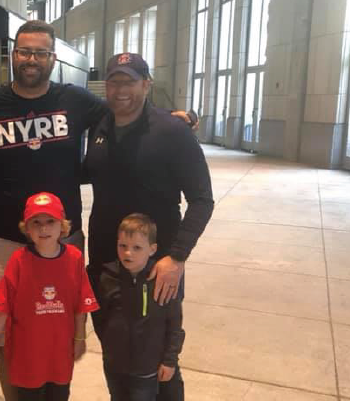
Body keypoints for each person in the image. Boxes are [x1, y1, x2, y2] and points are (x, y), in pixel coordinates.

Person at [0, 20, 194, 399]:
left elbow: (127, 107)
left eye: (40, 52)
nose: (31, 59)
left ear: (53, 58)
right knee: (8, 330)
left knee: (57, 327)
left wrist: (175, 119)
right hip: (8, 239)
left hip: (64, 240)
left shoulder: (75, 100)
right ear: (13, 55)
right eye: (24, 51)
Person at [84, 53, 214, 401]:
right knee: (117, 352)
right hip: (106, 267)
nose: (120, 90)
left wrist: (177, 258)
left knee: (159, 361)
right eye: (114, 81)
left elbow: (202, 200)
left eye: (129, 81)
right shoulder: (101, 125)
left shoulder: (172, 131)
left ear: (147, 85)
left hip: (158, 267)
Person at [0, 192, 98, 401]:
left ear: (62, 226)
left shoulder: (74, 258)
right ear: (26, 228)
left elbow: (81, 306)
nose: (43, 228)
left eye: (50, 221)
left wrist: (80, 338)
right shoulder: (19, 260)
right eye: (36, 222)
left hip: (60, 353)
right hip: (27, 354)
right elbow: (3, 304)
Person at [93, 214, 185, 401]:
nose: (128, 253)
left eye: (137, 248)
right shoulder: (107, 278)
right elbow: (101, 318)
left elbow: (174, 324)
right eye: (123, 246)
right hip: (114, 367)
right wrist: (109, 348)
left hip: (147, 369)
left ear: (152, 249)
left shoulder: (162, 281)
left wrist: (169, 360)